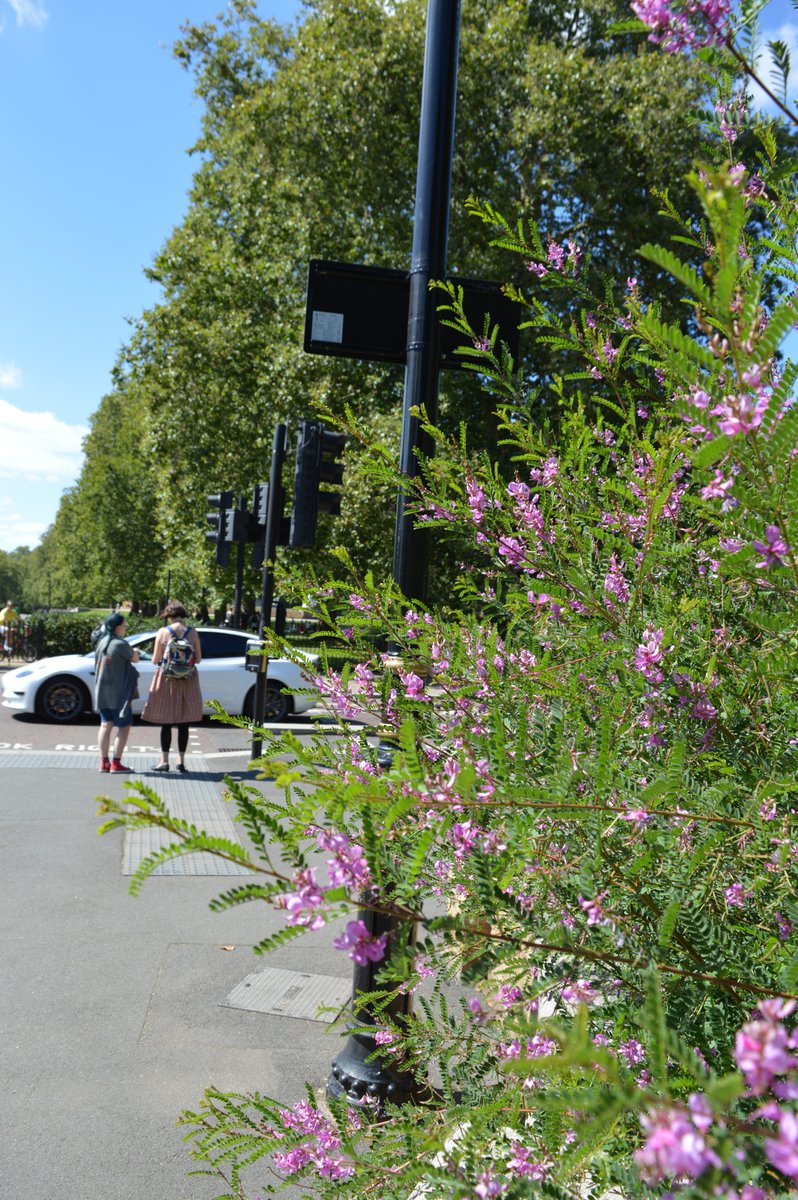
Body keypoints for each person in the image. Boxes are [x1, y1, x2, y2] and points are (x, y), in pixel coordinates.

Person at [141, 600, 203, 773]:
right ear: (182, 615)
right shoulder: (192, 632)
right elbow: (198, 659)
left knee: (166, 722)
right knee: (184, 723)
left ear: (169, 615)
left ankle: (164, 761)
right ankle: (181, 762)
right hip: (188, 679)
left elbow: (155, 660)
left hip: (167, 679)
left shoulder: (163, 632)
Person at [95, 611, 140, 774]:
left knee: (105, 725)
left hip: (101, 690)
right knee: (124, 726)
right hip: (118, 692)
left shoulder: (102, 642)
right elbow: (135, 658)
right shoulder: (120, 644)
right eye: (124, 624)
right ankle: (116, 763)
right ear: (118, 627)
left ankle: (104, 763)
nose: (125, 627)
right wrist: (135, 651)